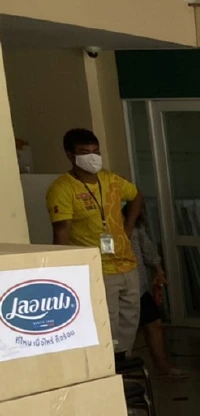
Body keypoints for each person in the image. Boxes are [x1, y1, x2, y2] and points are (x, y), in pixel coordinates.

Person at [47, 128, 143, 356]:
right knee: (105, 326)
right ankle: (110, 369)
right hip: (97, 269)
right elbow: (61, 231)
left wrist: (128, 227)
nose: (92, 157)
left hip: (127, 264)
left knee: (130, 323)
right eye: (84, 152)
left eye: (95, 151)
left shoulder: (111, 180)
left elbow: (136, 195)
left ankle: (124, 365)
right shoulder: (62, 188)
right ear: (70, 155)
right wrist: (61, 272)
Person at [126, 207, 182, 377]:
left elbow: (147, 248)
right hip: (119, 286)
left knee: (154, 324)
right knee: (127, 330)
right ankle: (121, 368)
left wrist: (159, 271)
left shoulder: (135, 224)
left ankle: (163, 366)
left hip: (139, 285)